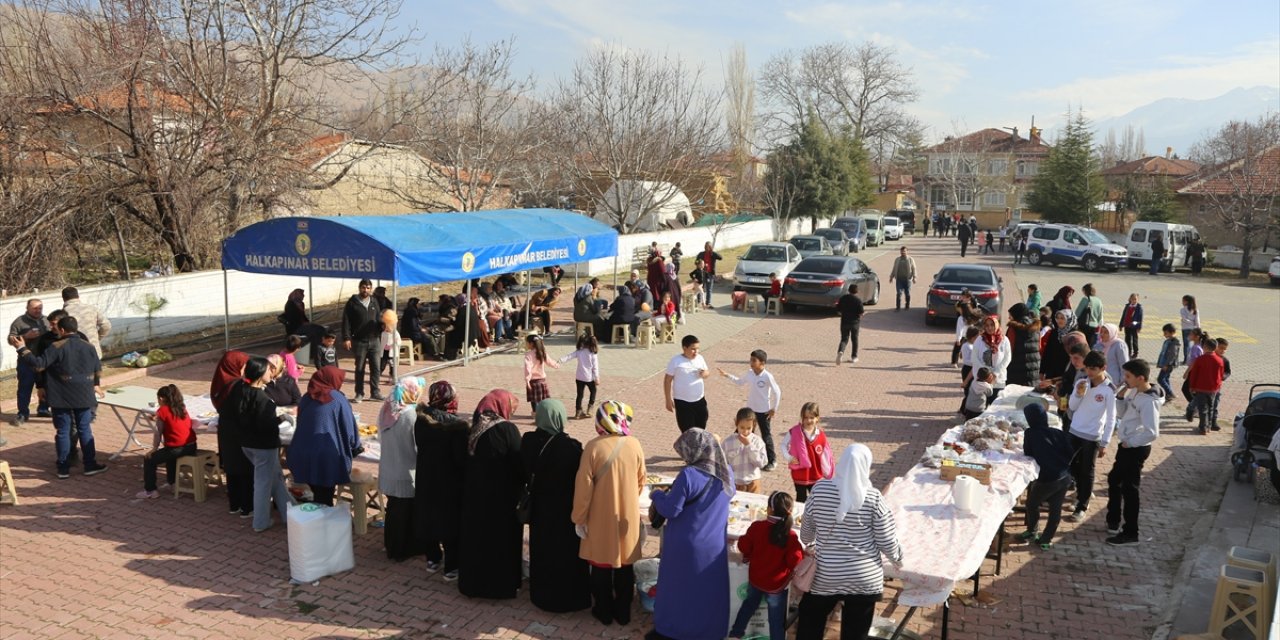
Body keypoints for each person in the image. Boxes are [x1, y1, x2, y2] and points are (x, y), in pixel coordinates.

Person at [796, 444, 903, 640]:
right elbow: (886, 540)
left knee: (810, 620)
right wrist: (898, 558)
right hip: (865, 578)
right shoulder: (873, 498)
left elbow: (806, 535)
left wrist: (811, 542)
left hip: (826, 573)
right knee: (856, 632)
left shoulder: (819, 489)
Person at [648, 428, 734, 640]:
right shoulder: (726, 472)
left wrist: (657, 495)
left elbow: (671, 510)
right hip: (714, 545)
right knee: (707, 594)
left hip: (684, 546)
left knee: (678, 591)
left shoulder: (689, 475)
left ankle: (673, 630)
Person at [573, 400, 647, 626]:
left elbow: (584, 489)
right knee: (625, 565)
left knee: (600, 565)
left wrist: (579, 518)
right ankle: (623, 612)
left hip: (600, 516)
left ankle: (603, 611)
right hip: (627, 515)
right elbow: (641, 480)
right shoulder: (634, 444)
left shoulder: (593, 448)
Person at [11, 316, 107, 479]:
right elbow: (97, 368)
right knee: (85, 429)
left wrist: (22, 349)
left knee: (63, 431)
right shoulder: (89, 346)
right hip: (84, 394)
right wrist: (95, 385)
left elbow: (39, 364)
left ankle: (63, 468)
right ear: (76, 328)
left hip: (61, 395)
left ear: (62, 330)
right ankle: (90, 465)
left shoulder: (56, 346)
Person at [522, 399, 591, 613]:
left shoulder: (528, 441)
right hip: (565, 511)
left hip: (540, 509)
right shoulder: (571, 447)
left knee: (543, 551)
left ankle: (542, 595)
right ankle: (571, 598)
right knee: (566, 554)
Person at [458, 389, 525, 599]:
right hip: (502, 499)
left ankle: (473, 585)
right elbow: (518, 462)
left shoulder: (474, 427)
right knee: (500, 544)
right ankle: (501, 587)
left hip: (476, 497)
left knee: (478, 542)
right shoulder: (507, 430)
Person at [728, 490, 803, 640]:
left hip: (756, 580)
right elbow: (795, 561)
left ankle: (735, 634)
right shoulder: (790, 535)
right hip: (776, 586)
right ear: (790, 511)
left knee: (748, 607)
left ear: (769, 509)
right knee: (775, 620)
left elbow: (744, 546)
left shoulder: (757, 527)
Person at [415, 381, 470, 579]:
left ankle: (432, 559)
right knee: (450, 523)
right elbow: (460, 459)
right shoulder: (456, 427)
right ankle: (451, 567)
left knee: (428, 517)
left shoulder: (421, 420)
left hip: (426, 476)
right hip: (449, 482)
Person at [1107, 359, 1163, 546]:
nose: (1125, 379)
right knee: (1115, 480)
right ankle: (1113, 520)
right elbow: (1123, 414)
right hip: (1127, 445)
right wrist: (1121, 397)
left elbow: (1152, 432)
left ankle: (1131, 532)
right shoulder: (1135, 392)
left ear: (1140, 378)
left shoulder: (1149, 401)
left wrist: (1130, 443)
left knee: (1130, 489)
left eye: (1128, 376)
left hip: (1135, 448)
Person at [290, 366, 362, 506]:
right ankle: (324, 521)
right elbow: (349, 428)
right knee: (325, 496)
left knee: (318, 493)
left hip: (302, 452)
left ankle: (318, 516)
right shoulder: (337, 399)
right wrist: (355, 446)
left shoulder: (307, 397)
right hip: (326, 458)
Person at [236, 356, 294, 531]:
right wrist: (280, 422)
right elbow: (267, 427)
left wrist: (276, 418)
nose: (272, 372)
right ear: (261, 373)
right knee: (263, 484)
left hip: (247, 444)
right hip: (263, 447)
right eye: (269, 370)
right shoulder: (263, 399)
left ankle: (290, 512)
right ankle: (260, 522)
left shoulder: (242, 390)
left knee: (275, 478)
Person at [377, 376, 426, 561]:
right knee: (404, 514)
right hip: (405, 471)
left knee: (394, 510)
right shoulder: (410, 415)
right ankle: (401, 550)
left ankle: (391, 545)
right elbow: (417, 445)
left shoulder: (389, 408)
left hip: (389, 468)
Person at [1065, 350, 1117, 522]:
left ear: (1103, 368)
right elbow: (1072, 406)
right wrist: (1079, 394)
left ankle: (1082, 505)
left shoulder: (1109, 390)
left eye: (1093, 369)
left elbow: (1111, 418)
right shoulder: (1082, 382)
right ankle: (1079, 494)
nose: (1089, 373)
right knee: (1073, 466)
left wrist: (1105, 441)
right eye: (1087, 368)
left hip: (1092, 435)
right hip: (1075, 431)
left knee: (1087, 470)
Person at [1017, 403, 1074, 550]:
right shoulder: (1057, 432)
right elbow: (1070, 451)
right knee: (1055, 508)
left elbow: (1028, 454)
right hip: (1064, 476)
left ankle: (1032, 531)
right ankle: (1046, 539)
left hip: (1047, 479)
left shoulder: (1030, 433)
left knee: (1032, 504)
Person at [718, 349, 783, 471]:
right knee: (739, 432)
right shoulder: (749, 373)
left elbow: (777, 392)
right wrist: (727, 375)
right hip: (750, 411)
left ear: (762, 363)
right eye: (750, 360)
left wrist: (774, 409)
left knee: (766, 436)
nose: (751, 363)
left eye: (754, 360)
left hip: (764, 411)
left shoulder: (767, 376)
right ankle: (732, 455)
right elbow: (739, 382)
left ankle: (771, 460)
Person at [211, 351, 253, 515]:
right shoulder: (238, 386)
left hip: (225, 430)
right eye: (243, 365)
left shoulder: (220, 382)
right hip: (239, 432)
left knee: (232, 468)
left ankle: (234, 505)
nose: (244, 369)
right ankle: (247, 508)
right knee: (245, 470)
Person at [136, 384, 196, 499]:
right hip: (191, 445)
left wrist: (154, 449)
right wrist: (157, 417)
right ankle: (172, 483)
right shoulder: (181, 407)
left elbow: (158, 432)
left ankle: (150, 490)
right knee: (169, 455)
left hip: (177, 448)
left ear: (162, 398)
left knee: (149, 459)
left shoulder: (162, 410)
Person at [341, 279, 385, 402]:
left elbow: (378, 318)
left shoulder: (374, 301)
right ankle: (359, 393)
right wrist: (346, 338)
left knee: (376, 367)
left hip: (374, 340)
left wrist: (383, 326)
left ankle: (375, 392)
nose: (365, 290)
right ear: (359, 288)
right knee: (360, 368)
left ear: (371, 289)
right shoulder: (352, 303)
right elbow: (346, 321)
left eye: (368, 288)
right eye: (363, 287)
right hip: (359, 341)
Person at [9, 298, 50, 425]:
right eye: (35, 308)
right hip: (26, 361)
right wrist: (26, 336)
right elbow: (10, 339)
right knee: (25, 388)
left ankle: (43, 408)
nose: (38, 310)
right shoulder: (19, 322)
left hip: (43, 360)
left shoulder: (46, 320)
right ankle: (22, 413)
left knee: (46, 385)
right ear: (27, 308)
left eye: (40, 308)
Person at [780, 402, 832, 502]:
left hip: (815, 474)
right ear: (802, 417)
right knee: (801, 498)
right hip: (799, 473)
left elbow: (826, 455)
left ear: (817, 418)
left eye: (812, 417)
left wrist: (827, 472)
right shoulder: (794, 432)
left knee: (816, 499)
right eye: (805, 417)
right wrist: (789, 457)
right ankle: (801, 517)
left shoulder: (821, 436)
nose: (808, 420)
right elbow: (783, 445)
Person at [664, 334, 711, 432]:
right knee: (687, 432)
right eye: (693, 349)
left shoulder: (700, 358)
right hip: (683, 403)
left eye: (697, 349)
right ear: (684, 348)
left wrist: (705, 374)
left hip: (699, 401)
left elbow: (707, 373)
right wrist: (668, 399)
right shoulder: (676, 361)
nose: (696, 352)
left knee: (701, 429)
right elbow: (667, 380)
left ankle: (698, 447)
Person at [1184, 337, 1224, 435]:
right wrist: (1218, 386)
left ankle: (1203, 428)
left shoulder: (1200, 359)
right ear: (1215, 348)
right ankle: (1208, 426)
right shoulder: (1219, 360)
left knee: (1202, 408)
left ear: (1205, 347)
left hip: (1200, 388)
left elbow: (1194, 374)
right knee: (1210, 407)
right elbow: (1221, 375)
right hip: (1213, 388)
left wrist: (1192, 386)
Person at [968, 315, 1012, 403]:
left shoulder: (1004, 340)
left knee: (996, 405)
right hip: (982, 379)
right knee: (981, 405)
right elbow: (974, 357)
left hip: (998, 379)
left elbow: (1007, 358)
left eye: (992, 325)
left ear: (997, 325)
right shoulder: (980, 339)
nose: (989, 328)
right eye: (987, 325)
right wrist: (986, 373)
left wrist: (995, 373)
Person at [723, 408, 768, 493]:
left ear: (754, 426)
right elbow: (722, 463)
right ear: (736, 424)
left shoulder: (757, 441)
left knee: (753, 505)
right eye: (742, 427)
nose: (745, 431)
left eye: (749, 428)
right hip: (734, 483)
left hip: (753, 482)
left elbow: (762, 463)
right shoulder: (728, 442)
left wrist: (749, 445)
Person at [560, 332, 601, 420]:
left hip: (579, 377)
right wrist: (597, 378)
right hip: (589, 378)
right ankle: (590, 408)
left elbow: (569, 356)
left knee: (579, 395)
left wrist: (560, 361)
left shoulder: (579, 352)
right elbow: (595, 367)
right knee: (593, 391)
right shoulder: (593, 354)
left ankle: (578, 411)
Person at [61, 287, 111, 358]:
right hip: (94, 350)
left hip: (75, 354)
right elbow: (106, 325)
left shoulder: (63, 313)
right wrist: (97, 338)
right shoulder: (92, 308)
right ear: (78, 296)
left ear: (63, 298)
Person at [1005, 303, 1042, 387]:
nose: (1009, 318)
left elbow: (1009, 349)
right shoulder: (1036, 327)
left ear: (1016, 314)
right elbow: (1039, 347)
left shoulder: (1013, 328)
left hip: (1016, 370)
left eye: (1010, 315)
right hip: (1034, 368)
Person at [523, 334, 559, 414]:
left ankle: (535, 413)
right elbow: (550, 362)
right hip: (542, 380)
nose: (526, 344)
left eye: (527, 343)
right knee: (543, 399)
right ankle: (545, 412)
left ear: (531, 344)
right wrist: (556, 365)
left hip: (533, 381)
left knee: (534, 400)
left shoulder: (528, 355)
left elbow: (528, 368)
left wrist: (527, 380)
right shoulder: (542, 352)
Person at [1039, 310, 1077, 385]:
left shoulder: (1074, 335)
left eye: (1062, 318)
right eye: (1057, 318)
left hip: (1066, 371)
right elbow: (1047, 352)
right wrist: (1042, 371)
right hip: (1051, 370)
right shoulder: (1054, 332)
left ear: (1069, 319)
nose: (1059, 320)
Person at [835, 284, 865, 365]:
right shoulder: (858, 300)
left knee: (844, 339)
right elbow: (861, 313)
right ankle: (854, 357)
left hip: (844, 321)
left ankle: (840, 352)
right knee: (854, 339)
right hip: (855, 323)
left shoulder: (843, 298)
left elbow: (838, 309)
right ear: (857, 291)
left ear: (848, 290)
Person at [1211, 338, 1232, 431]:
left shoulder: (1225, 360)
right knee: (1204, 404)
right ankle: (1202, 420)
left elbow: (1228, 372)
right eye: (1221, 348)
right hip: (1205, 386)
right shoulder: (1209, 357)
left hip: (1217, 386)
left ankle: (1213, 422)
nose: (1223, 351)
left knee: (1215, 403)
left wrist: (1223, 376)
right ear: (1215, 347)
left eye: (1225, 349)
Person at [1155, 323, 1180, 399]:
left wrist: (1166, 364)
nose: (1164, 335)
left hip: (1168, 365)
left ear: (1172, 332)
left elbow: (1172, 355)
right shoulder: (1168, 341)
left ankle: (1171, 393)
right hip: (1165, 364)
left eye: (1166, 333)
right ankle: (1168, 394)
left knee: (1160, 379)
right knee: (1165, 378)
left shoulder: (1174, 342)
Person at [377, 309, 402, 382]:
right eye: (385, 327)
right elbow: (381, 342)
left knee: (392, 366)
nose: (386, 328)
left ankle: (393, 377)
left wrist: (394, 343)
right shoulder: (383, 333)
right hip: (384, 352)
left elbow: (399, 342)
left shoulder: (395, 333)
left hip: (392, 352)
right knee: (382, 365)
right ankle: (377, 376)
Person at [889, 246, 917, 311]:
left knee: (907, 293)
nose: (903, 252)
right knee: (899, 293)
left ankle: (907, 305)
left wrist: (914, 277)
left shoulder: (910, 259)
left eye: (904, 251)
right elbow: (894, 269)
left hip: (907, 280)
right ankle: (898, 307)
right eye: (901, 251)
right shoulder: (897, 259)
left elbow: (914, 269)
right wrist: (891, 277)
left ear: (907, 251)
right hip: (899, 279)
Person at [1076, 283, 1103, 348]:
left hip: (1084, 325)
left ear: (1086, 291)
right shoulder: (1099, 300)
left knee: (1082, 345)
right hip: (1094, 326)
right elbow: (1100, 316)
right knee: (1090, 345)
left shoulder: (1085, 299)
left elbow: (1077, 313)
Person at [1119, 293, 1144, 358]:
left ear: (1138, 300)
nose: (1134, 300)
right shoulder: (1127, 306)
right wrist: (1121, 325)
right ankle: (1128, 351)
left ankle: (1135, 352)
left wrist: (1139, 327)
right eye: (1132, 299)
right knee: (1127, 339)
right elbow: (1123, 315)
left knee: (1134, 339)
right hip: (1127, 325)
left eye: (1135, 299)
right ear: (1130, 299)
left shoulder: (1139, 307)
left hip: (1134, 326)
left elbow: (1140, 318)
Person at [701, 242, 723, 308]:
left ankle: (708, 303)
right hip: (702, 273)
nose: (707, 247)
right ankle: (699, 301)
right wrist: (702, 264)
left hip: (710, 274)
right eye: (706, 246)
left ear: (710, 247)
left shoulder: (712, 254)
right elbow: (696, 261)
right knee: (700, 288)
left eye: (709, 246)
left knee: (709, 289)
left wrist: (713, 252)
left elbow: (720, 258)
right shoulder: (702, 254)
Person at [1179, 295, 1200, 364]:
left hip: (1185, 328)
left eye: (1183, 301)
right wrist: (1198, 328)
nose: (1182, 302)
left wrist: (1190, 322)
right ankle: (1192, 358)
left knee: (1186, 344)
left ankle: (1186, 359)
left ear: (1186, 302)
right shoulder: (1196, 310)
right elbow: (1197, 320)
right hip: (1193, 329)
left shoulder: (1183, 310)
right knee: (1193, 344)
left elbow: (1184, 319)